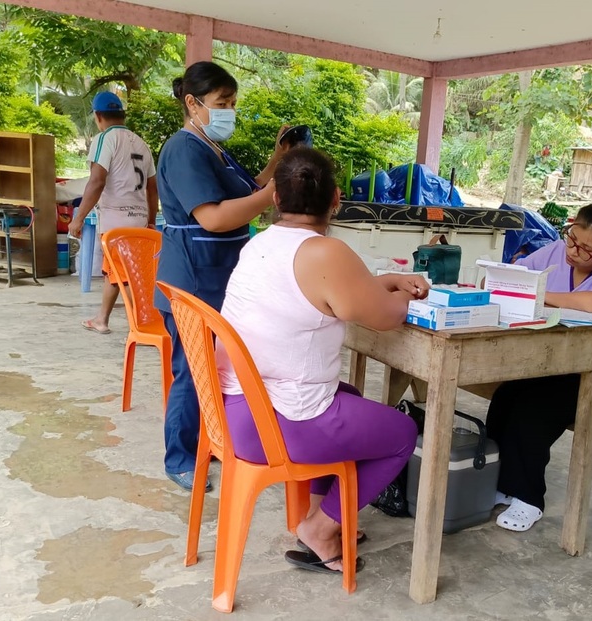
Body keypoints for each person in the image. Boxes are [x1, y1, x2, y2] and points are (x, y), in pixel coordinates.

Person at [215, 147, 426, 574]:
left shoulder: (258, 244)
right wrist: (410, 293)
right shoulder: (327, 251)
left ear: (276, 198)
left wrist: (386, 280)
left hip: (234, 412)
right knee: (402, 433)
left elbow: (334, 289)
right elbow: (386, 317)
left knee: (348, 394)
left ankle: (318, 511)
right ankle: (322, 528)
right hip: (277, 427)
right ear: (336, 199)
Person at [154, 61, 289, 492]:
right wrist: (273, 194)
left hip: (220, 278)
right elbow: (213, 217)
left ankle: (210, 441)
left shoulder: (212, 147)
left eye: (232, 103)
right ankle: (179, 458)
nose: (229, 110)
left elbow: (249, 192)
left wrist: (277, 162)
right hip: (193, 278)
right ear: (193, 103)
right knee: (193, 371)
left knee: (217, 370)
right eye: (222, 103)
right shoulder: (183, 149)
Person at [487, 195, 592, 532]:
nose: (573, 251)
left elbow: (591, 303)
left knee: (535, 410)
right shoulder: (556, 251)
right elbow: (509, 276)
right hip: (553, 367)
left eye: (587, 249)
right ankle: (501, 482)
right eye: (573, 238)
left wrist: (534, 293)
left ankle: (529, 498)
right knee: (505, 398)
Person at [69, 91, 158, 335]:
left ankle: (143, 325)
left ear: (98, 116)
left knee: (125, 276)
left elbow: (97, 181)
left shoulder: (105, 139)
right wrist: (151, 220)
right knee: (116, 272)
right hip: (138, 219)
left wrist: (78, 218)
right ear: (122, 114)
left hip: (116, 223)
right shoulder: (141, 143)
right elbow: (152, 188)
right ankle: (102, 319)